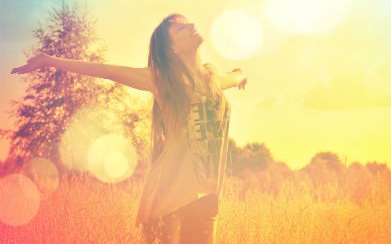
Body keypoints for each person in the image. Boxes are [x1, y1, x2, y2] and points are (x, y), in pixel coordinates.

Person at [10, 13, 248, 243]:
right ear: (172, 49)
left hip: (207, 198)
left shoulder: (212, 81)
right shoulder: (163, 79)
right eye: (180, 28)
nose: (191, 26)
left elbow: (236, 75)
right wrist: (50, 60)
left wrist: (241, 75)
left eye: (188, 23)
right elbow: (109, 70)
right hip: (169, 200)